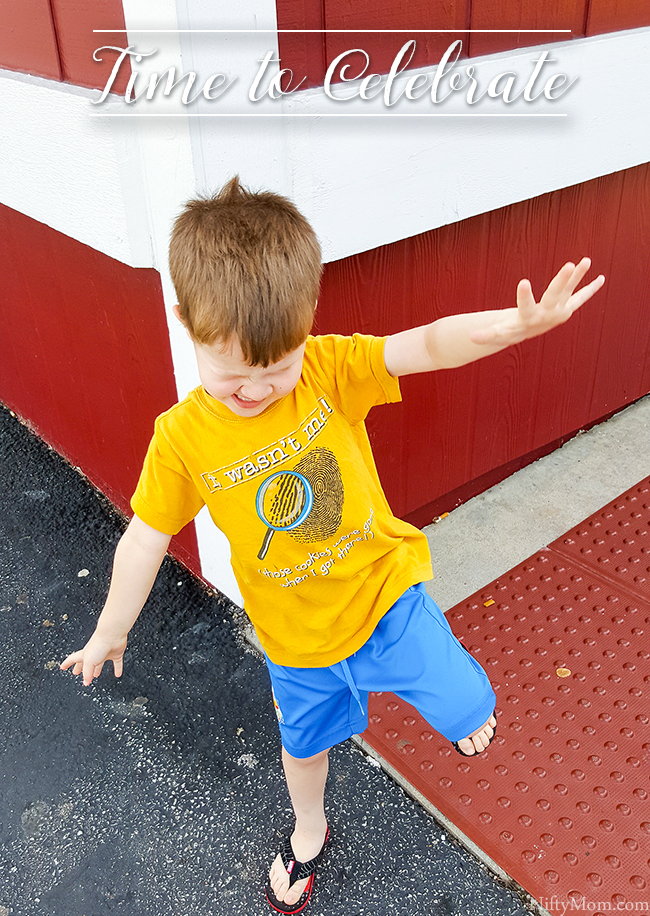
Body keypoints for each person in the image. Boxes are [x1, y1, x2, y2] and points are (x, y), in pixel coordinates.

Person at [61, 177, 605, 914]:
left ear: (306, 323)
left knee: (467, 702)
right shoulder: (183, 438)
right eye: (233, 377)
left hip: (384, 597)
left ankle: (460, 703)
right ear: (186, 321)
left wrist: (510, 327)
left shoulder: (325, 368)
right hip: (297, 642)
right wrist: (110, 629)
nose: (255, 392)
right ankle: (309, 831)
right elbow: (144, 537)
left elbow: (424, 345)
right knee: (305, 749)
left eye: (274, 371)